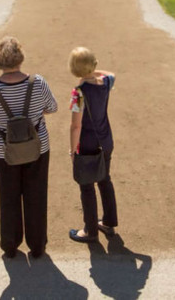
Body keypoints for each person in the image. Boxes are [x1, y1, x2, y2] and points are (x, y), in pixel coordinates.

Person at [0, 37, 58, 259]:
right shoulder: (38, 83)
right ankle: (37, 245)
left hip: (4, 152)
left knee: (8, 197)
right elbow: (52, 107)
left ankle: (10, 245)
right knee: (37, 195)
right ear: (20, 58)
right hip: (37, 148)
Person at [67, 47, 118, 243]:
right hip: (106, 140)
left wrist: (73, 150)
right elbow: (111, 74)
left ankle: (89, 230)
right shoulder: (105, 83)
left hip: (87, 145)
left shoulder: (77, 93)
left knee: (86, 185)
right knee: (105, 180)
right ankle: (108, 221)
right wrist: (92, 71)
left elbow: (75, 125)